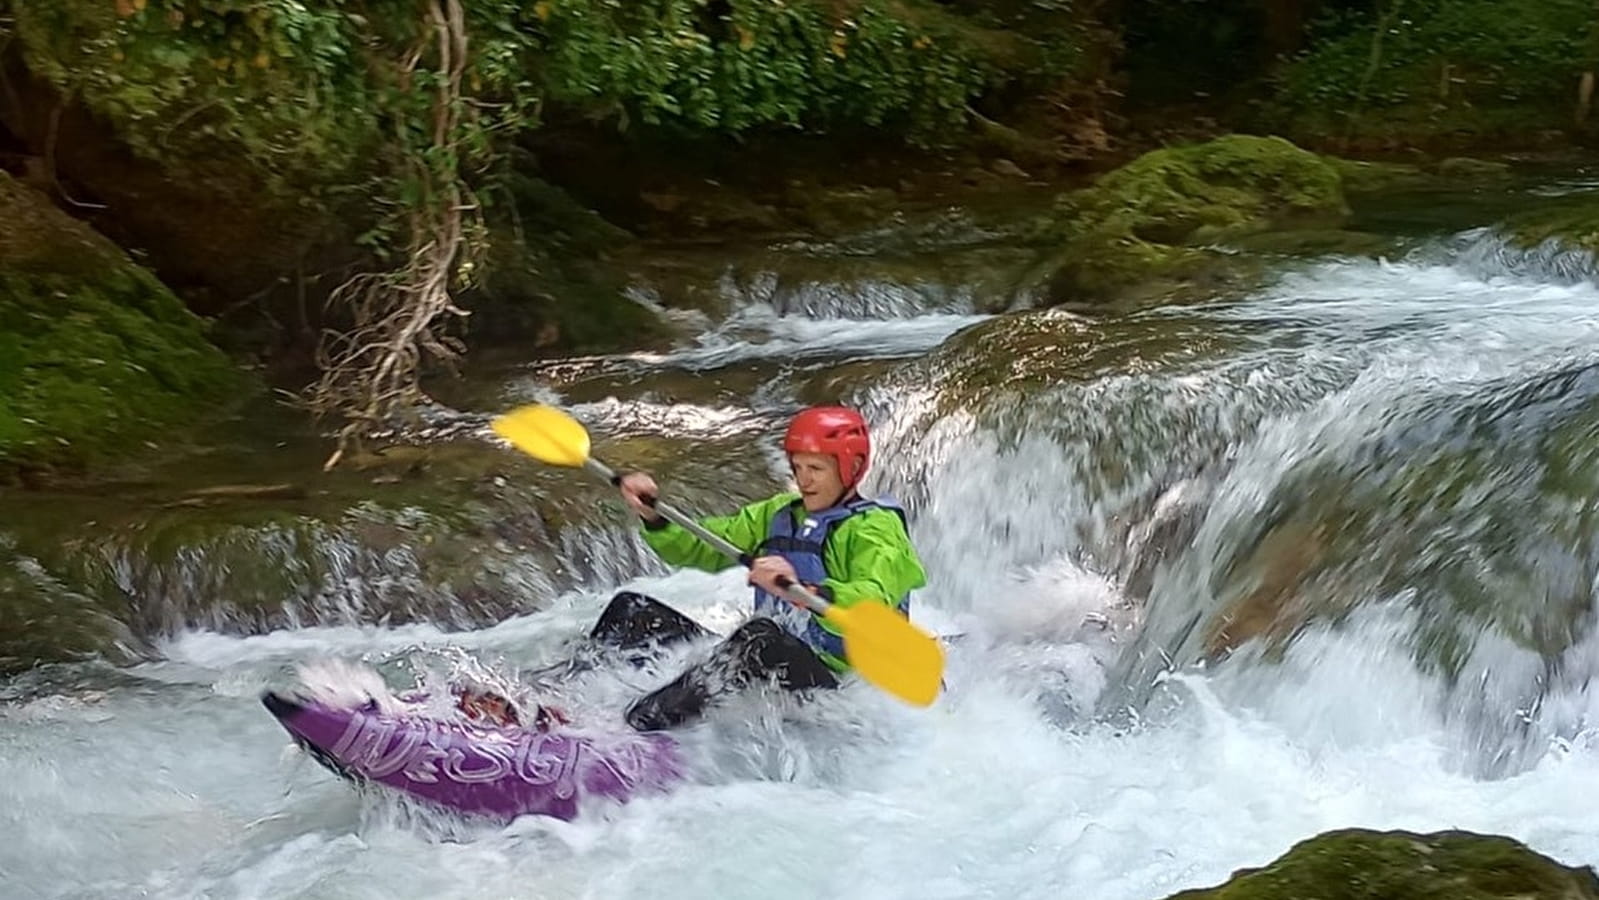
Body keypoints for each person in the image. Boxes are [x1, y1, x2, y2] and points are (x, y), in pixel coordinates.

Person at [587, 405, 928, 731]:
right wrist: (654, 516)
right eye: (798, 467)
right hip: (770, 667)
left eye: (817, 469)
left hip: (840, 684)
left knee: (759, 638)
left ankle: (634, 730)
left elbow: (875, 599)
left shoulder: (876, 528)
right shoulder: (779, 513)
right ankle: (571, 699)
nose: (804, 480)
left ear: (850, 468)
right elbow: (700, 545)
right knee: (631, 609)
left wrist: (808, 592)